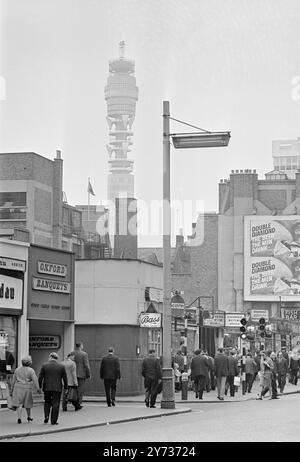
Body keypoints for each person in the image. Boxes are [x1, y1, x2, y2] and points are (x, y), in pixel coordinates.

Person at [38, 352, 68, 425]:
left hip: (47, 388)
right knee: (56, 404)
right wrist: (66, 387)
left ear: (50, 357)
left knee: (47, 402)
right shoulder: (61, 366)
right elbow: (65, 378)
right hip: (57, 388)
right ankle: (53, 421)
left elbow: (40, 377)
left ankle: (46, 416)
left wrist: (39, 386)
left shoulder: (44, 365)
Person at [10, 355, 40, 424]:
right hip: (27, 387)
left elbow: (13, 380)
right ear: (29, 363)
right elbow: (35, 380)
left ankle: (19, 418)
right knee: (28, 403)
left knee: (19, 404)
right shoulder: (31, 370)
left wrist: (11, 389)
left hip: (17, 387)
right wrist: (38, 388)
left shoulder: (17, 369)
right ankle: (29, 417)